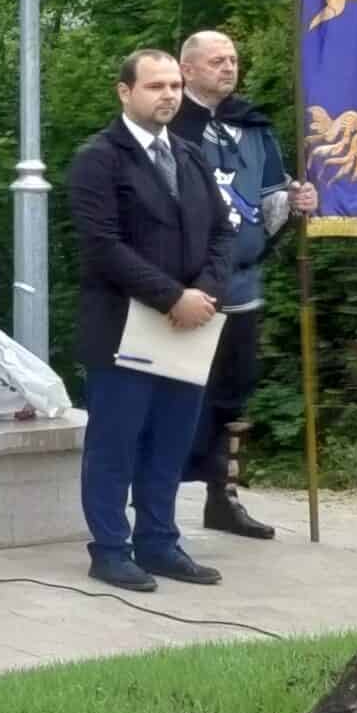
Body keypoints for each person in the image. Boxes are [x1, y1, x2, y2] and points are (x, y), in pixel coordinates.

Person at [69, 48, 238, 592]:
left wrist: (204, 292)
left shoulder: (189, 157)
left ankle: (160, 542)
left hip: (188, 328)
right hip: (125, 327)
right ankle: (111, 549)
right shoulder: (100, 158)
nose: (167, 95)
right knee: (115, 443)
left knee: (170, 441)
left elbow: (223, 233)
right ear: (125, 92)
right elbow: (102, 246)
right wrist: (171, 297)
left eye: (172, 86)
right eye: (154, 86)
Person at [173, 30, 318, 537]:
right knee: (176, 391)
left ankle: (222, 496)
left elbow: (268, 199)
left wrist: (295, 204)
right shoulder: (169, 125)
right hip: (182, 286)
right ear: (187, 69)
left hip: (241, 282)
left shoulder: (253, 127)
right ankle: (156, 505)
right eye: (217, 60)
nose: (228, 68)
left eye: (233, 60)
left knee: (233, 391)